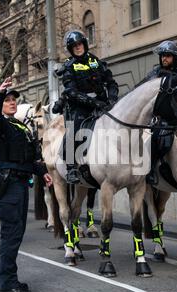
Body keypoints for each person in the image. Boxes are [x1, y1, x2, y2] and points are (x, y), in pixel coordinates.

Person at [0, 77, 53, 292]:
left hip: (20, 182)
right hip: (9, 185)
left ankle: (6, 279)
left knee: (16, 233)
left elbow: (30, 155)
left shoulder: (20, 126)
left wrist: (42, 171)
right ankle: (7, 285)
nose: (12, 102)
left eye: (13, 99)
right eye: (7, 100)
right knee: (11, 234)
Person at [59, 30, 119, 184]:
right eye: (74, 46)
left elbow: (111, 82)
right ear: (71, 49)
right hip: (80, 106)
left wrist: (112, 99)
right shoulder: (69, 66)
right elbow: (71, 92)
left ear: (84, 44)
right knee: (74, 130)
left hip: (102, 104)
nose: (78, 47)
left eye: (79, 44)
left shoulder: (96, 61)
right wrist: (93, 103)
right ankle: (71, 167)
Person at [141, 40, 177, 184]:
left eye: (167, 56)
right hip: (163, 118)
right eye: (162, 56)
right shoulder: (155, 74)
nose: (164, 59)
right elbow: (143, 91)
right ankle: (150, 171)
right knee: (158, 138)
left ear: (175, 57)